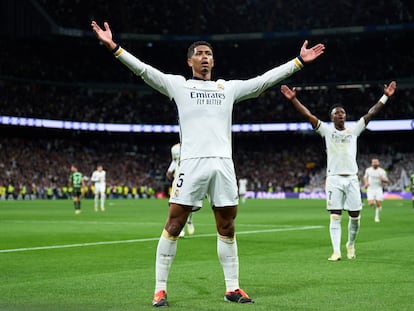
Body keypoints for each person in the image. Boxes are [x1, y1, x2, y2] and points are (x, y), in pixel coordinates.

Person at [91, 20, 325, 307]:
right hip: (191, 164)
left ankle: (232, 288)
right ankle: (160, 288)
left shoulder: (227, 89)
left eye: (209, 54)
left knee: (227, 228)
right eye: (200, 53)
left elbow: (263, 81)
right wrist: (114, 47)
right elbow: (143, 70)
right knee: (174, 224)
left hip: (224, 165)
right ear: (190, 60)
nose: (205, 57)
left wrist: (298, 62)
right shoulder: (178, 85)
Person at [280, 81, 397, 261]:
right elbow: (308, 114)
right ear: (332, 117)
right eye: (337, 113)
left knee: (355, 217)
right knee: (335, 216)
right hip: (333, 179)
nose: (341, 115)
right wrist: (294, 100)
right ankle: (336, 251)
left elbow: (372, 113)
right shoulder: (326, 131)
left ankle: (350, 243)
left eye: (342, 113)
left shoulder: (354, 130)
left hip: (351, 178)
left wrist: (386, 97)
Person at [166, 143, 195, 237]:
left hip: (190, 177)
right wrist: (170, 170)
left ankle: (189, 220)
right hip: (178, 178)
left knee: (190, 202)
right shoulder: (175, 148)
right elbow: (175, 161)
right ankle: (180, 227)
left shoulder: (194, 146)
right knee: (176, 203)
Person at [363, 158, 389, 222]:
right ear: (372, 163)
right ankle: (377, 206)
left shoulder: (382, 171)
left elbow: (386, 180)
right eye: (373, 163)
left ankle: (376, 217)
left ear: (378, 163)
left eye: (376, 163)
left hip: (378, 189)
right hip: (370, 189)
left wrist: (382, 179)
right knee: (370, 203)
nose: (375, 164)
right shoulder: (368, 170)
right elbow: (365, 177)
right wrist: (366, 183)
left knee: (378, 203)